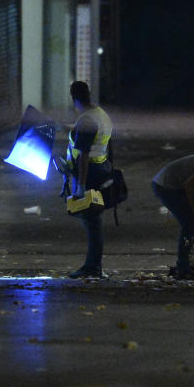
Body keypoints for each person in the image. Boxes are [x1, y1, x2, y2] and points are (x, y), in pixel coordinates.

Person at [63, 81, 113, 279]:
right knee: (94, 220)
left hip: (89, 173)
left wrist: (81, 187)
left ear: (73, 98)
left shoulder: (86, 121)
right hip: (100, 168)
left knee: (92, 221)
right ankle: (94, 265)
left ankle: (92, 267)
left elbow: (83, 154)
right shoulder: (100, 114)